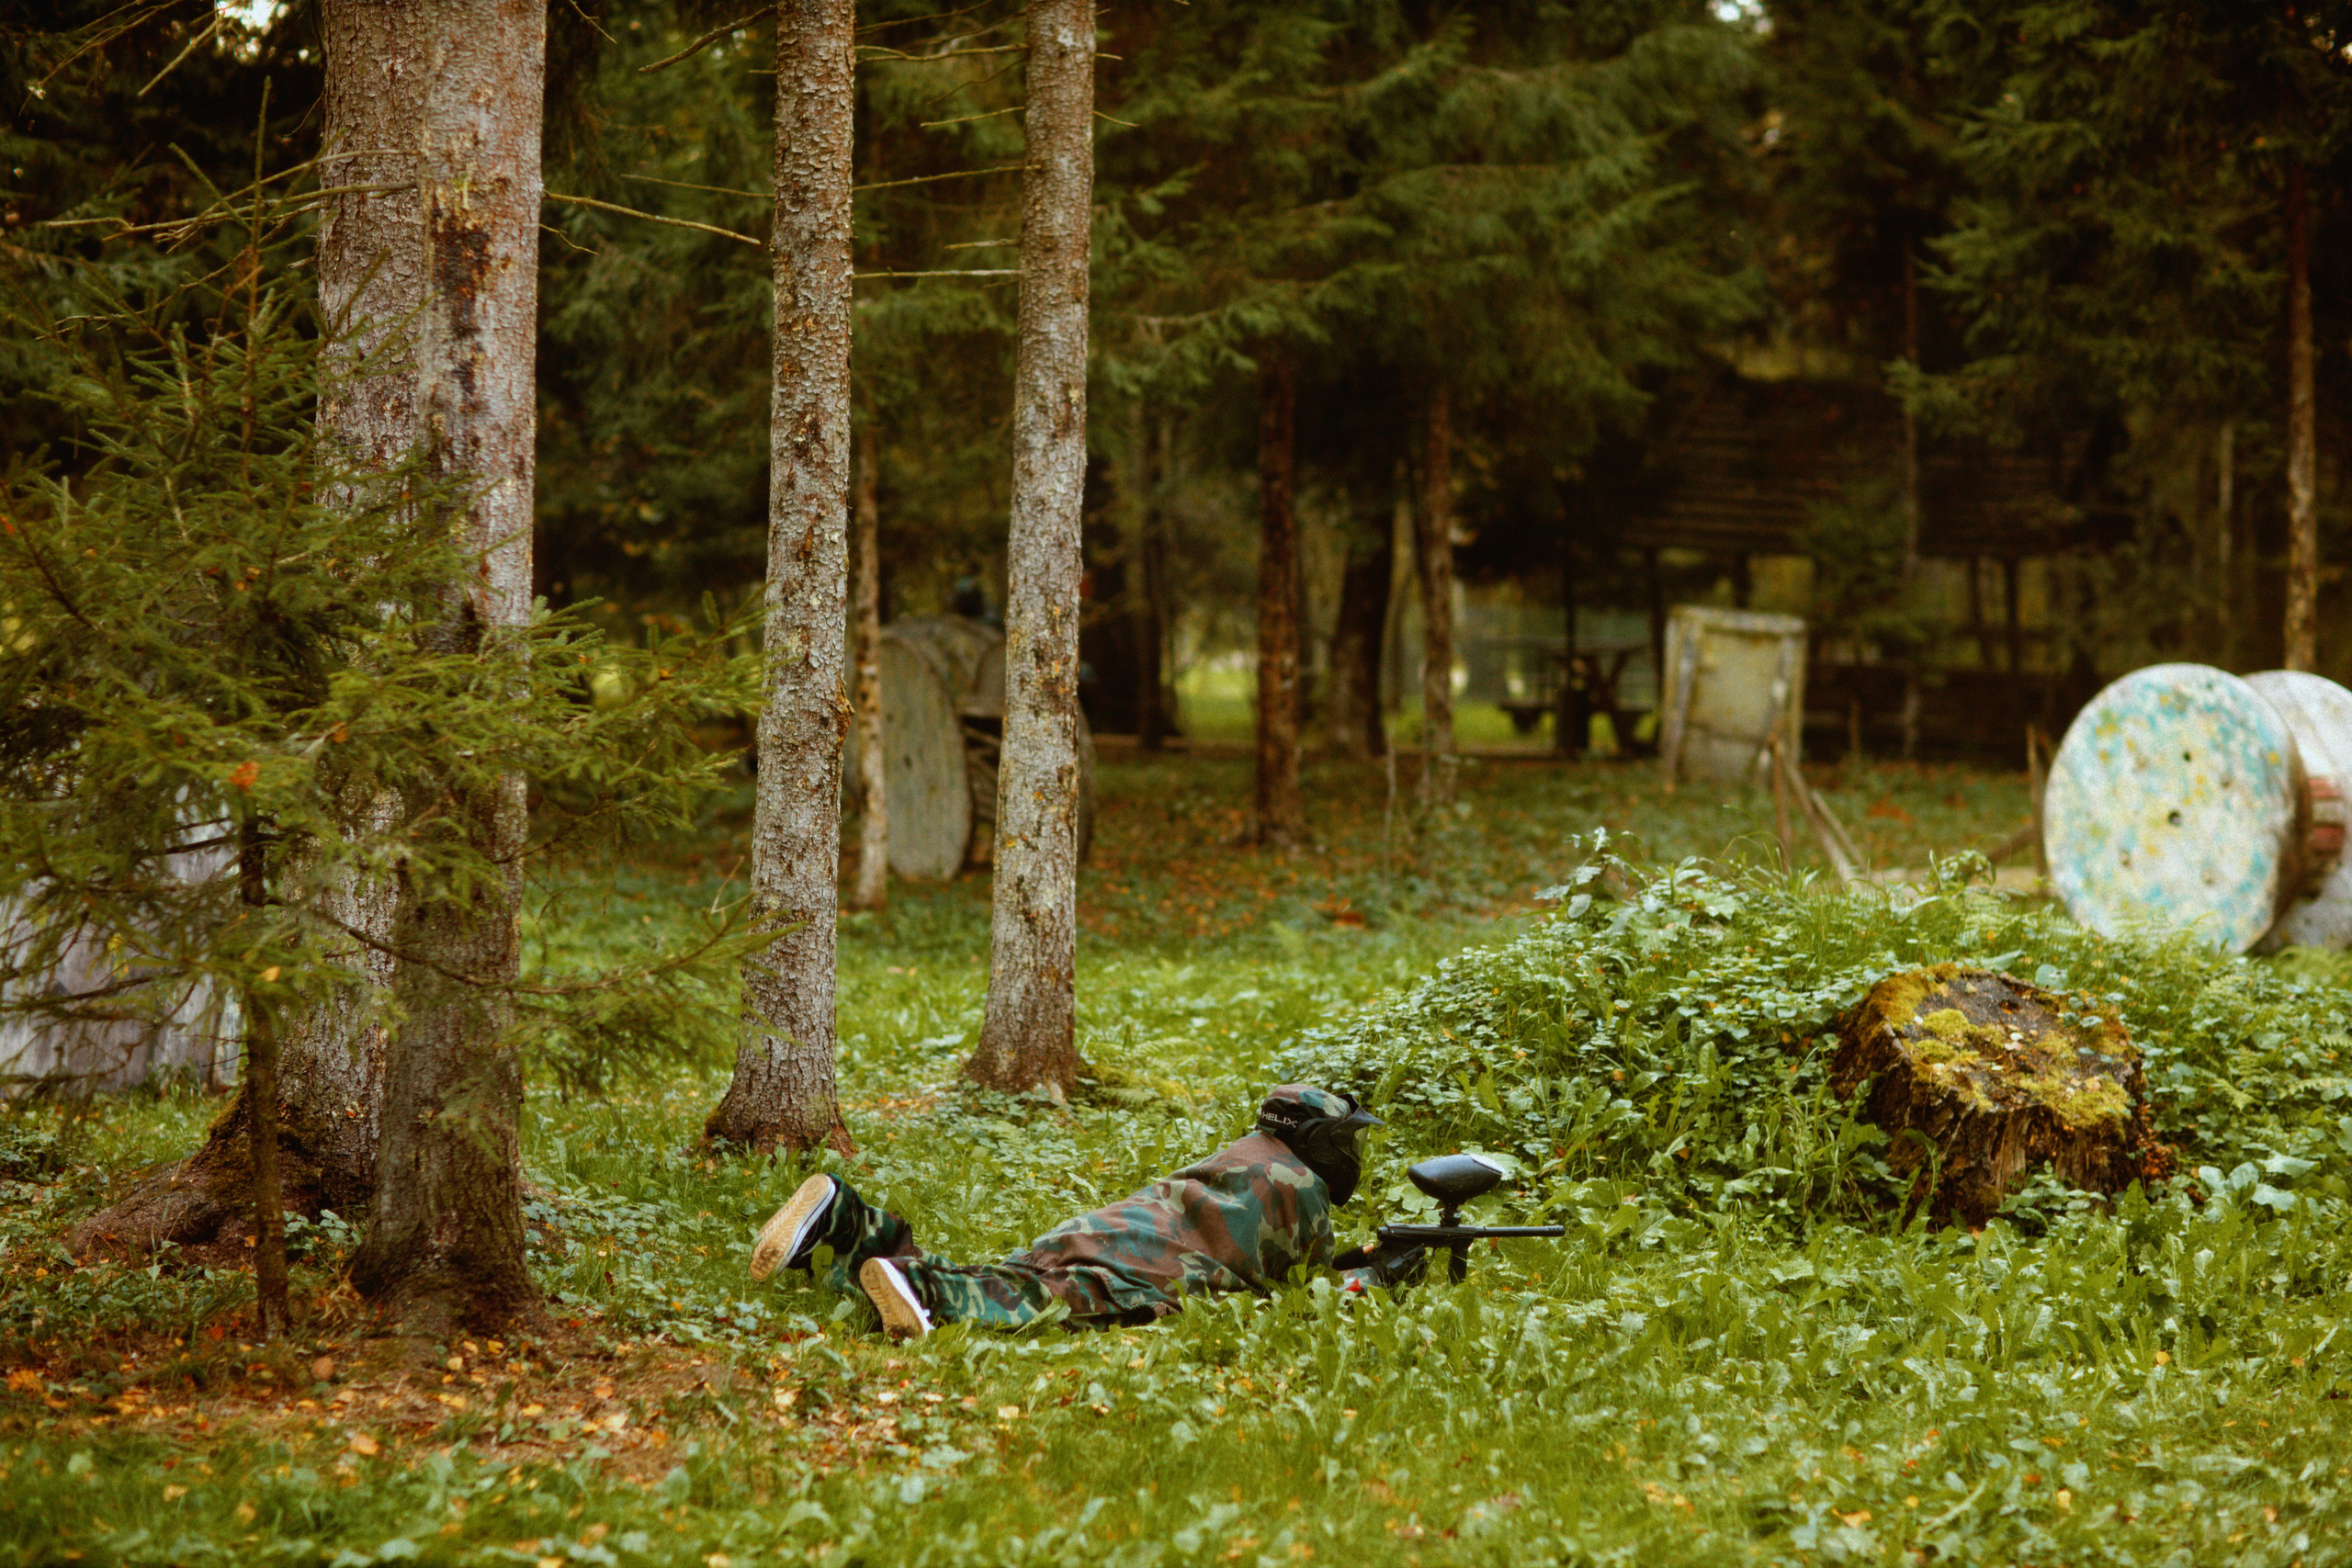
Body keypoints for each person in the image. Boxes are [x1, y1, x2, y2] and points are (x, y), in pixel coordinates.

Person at [748, 1084, 1389, 1338]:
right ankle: (921, 1288)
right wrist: (1382, 1274)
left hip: (1098, 1233)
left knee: (1013, 1275)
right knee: (1027, 1303)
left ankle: (843, 1229)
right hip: (1144, 1275)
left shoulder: (1245, 1154)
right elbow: (1310, 1296)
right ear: (1317, 1141)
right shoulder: (1303, 1188)